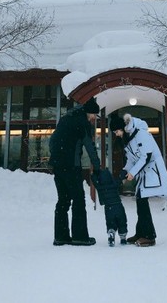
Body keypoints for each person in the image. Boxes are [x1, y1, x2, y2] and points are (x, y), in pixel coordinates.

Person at [110, 113, 167, 247]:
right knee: (140, 201)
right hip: (143, 173)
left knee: (142, 202)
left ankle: (150, 236)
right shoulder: (128, 140)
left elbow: (146, 156)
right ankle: (140, 233)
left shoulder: (141, 134)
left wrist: (132, 173)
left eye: (116, 131)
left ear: (122, 128)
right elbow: (131, 160)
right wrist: (124, 171)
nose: (116, 134)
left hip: (152, 171)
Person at [49, 97, 101, 246]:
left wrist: (56, 158)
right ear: (89, 112)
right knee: (78, 199)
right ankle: (80, 237)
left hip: (58, 166)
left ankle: (61, 236)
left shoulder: (65, 119)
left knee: (63, 201)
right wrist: (96, 166)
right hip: (71, 166)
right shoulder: (83, 123)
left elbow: (52, 141)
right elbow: (89, 146)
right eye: (94, 115)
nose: (93, 118)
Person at [91, 168, 128, 247]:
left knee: (110, 222)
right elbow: (120, 178)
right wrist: (123, 173)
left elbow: (93, 179)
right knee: (122, 221)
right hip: (118, 206)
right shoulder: (114, 183)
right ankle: (123, 237)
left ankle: (111, 232)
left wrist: (94, 174)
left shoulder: (100, 187)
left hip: (108, 207)